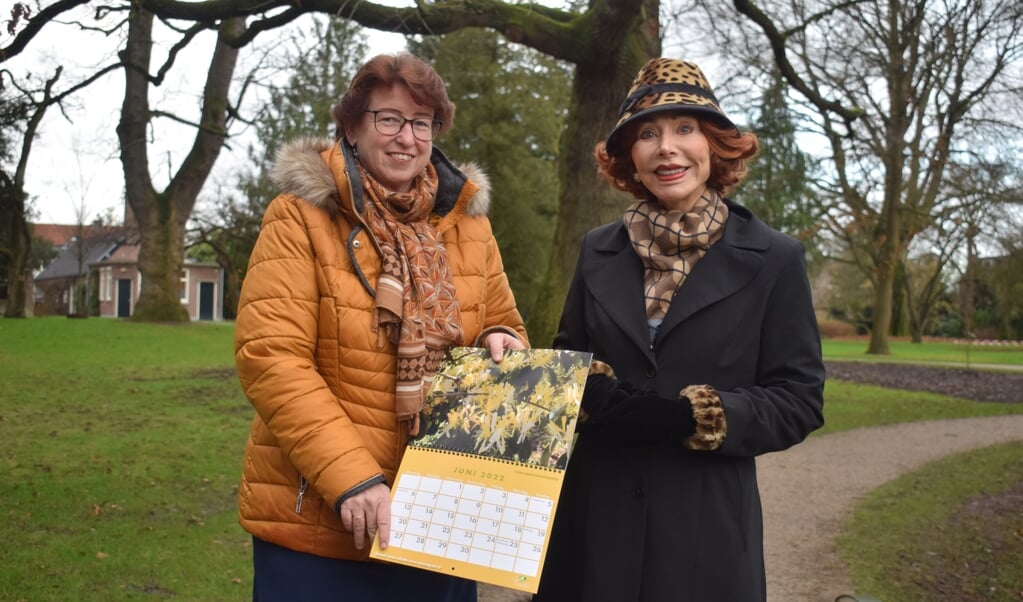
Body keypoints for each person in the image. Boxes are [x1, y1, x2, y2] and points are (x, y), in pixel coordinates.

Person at [234, 52, 528, 601]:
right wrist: (353, 478)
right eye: (388, 119)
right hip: (323, 527)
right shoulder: (299, 215)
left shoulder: (468, 226)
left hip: (441, 518)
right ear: (351, 125)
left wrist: (500, 342)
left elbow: (503, 324)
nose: (406, 138)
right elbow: (271, 356)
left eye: (421, 123)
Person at [533, 58, 826, 602]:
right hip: (595, 522)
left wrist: (697, 416)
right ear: (630, 159)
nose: (667, 147)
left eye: (684, 128)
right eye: (648, 134)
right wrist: (589, 389)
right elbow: (567, 357)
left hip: (705, 531)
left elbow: (799, 400)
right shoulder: (597, 249)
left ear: (713, 145)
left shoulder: (775, 258)